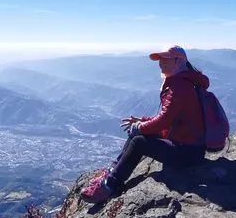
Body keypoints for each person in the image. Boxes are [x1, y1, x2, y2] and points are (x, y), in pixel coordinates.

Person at [80, 45, 208, 203]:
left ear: (178, 61)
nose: (161, 63)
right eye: (160, 59)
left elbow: (164, 121)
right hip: (189, 146)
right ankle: (112, 172)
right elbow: (169, 117)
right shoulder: (183, 81)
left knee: (139, 141)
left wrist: (140, 126)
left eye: (166, 59)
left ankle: (110, 185)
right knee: (139, 133)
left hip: (187, 153)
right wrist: (143, 122)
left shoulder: (179, 86)